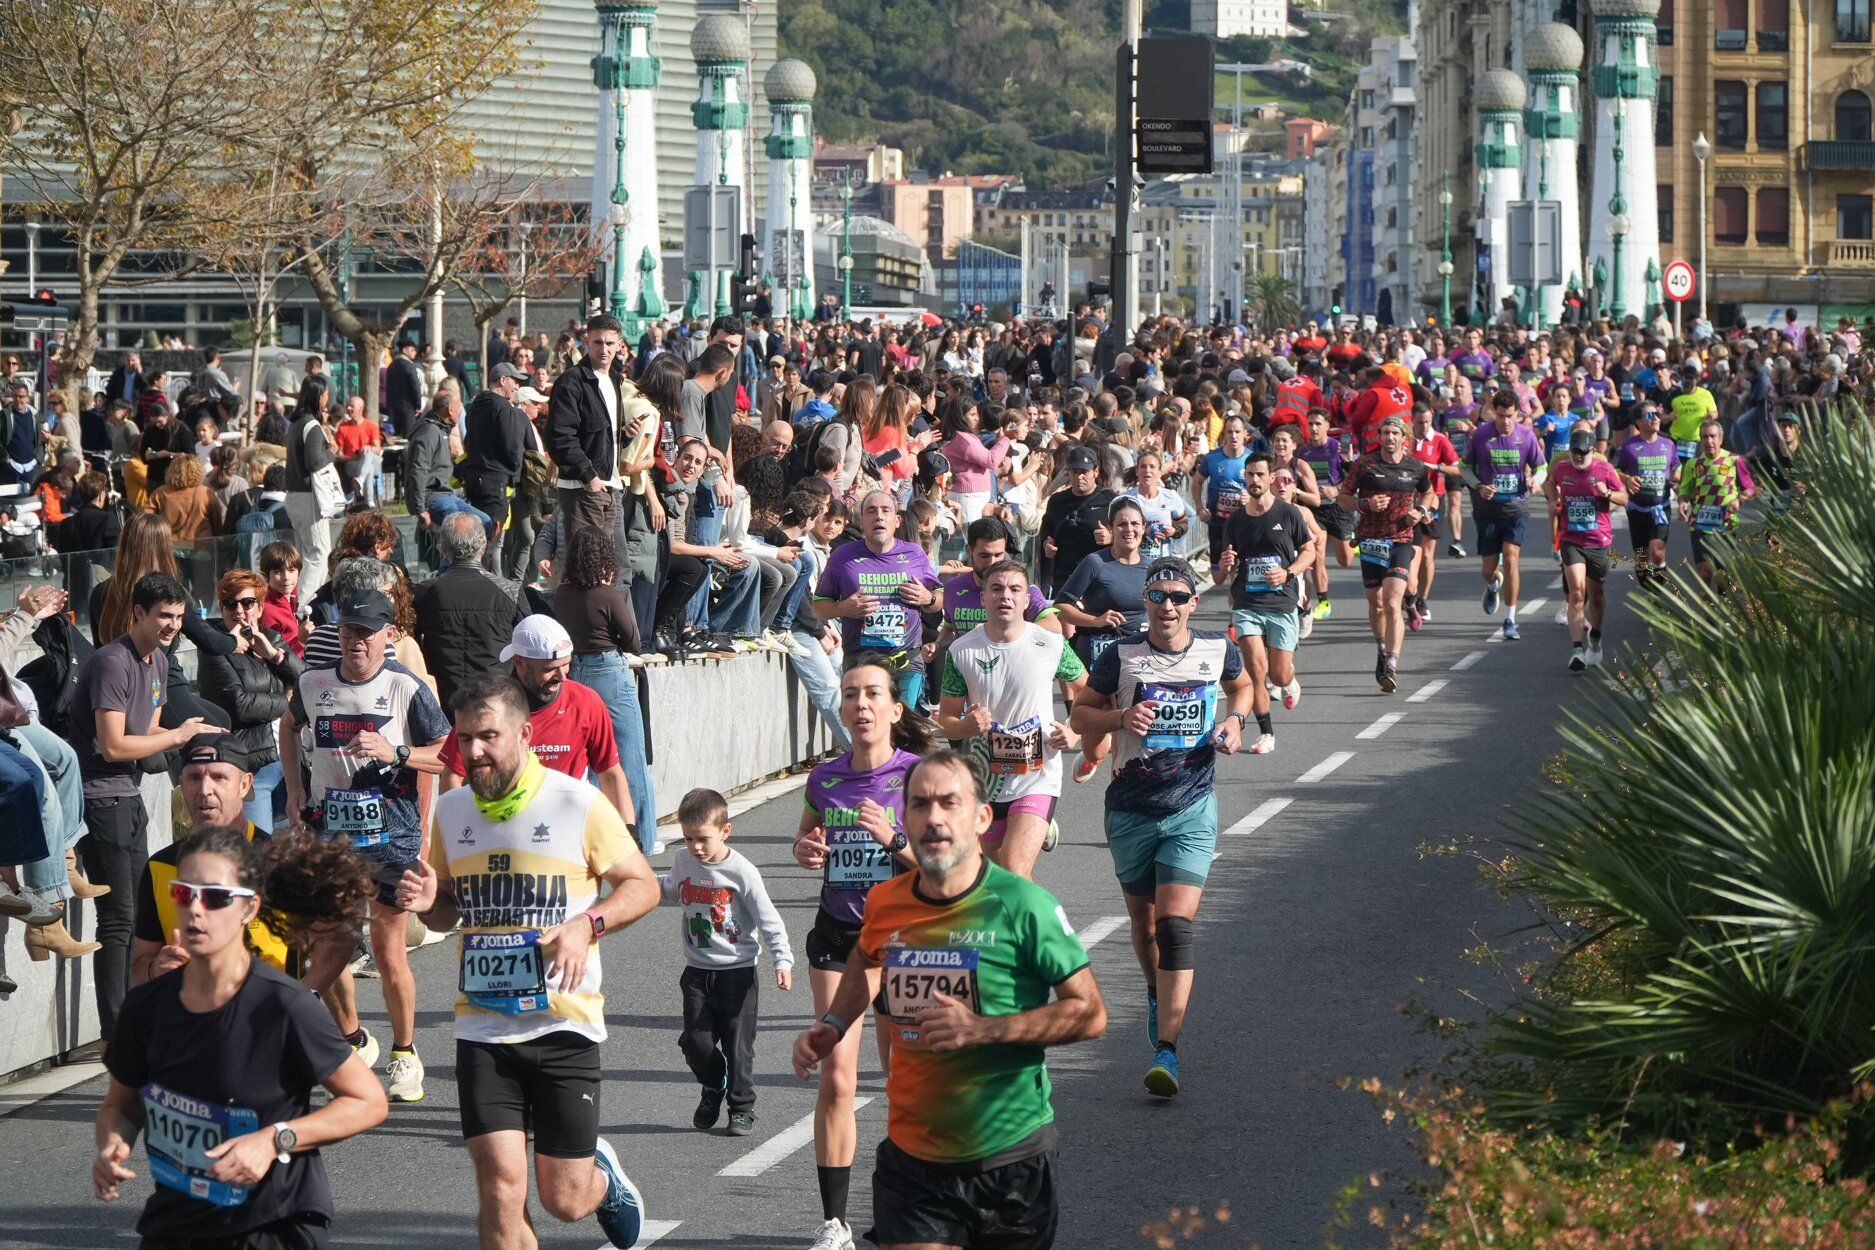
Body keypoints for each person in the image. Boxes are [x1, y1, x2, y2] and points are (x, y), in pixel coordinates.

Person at [790, 749, 1106, 1250]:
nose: (933, 817)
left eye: (948, 803)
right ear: (905, 818)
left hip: (1010, 1158)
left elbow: (1089, 1013)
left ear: (982, 818)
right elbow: (868, 959)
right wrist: (833, 1023)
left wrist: (985, 1030)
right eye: (918, 805)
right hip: (915, 1164)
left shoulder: (1024, 907)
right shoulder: (886, 901)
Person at [396, 673, 656, 1250]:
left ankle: (600, 1178)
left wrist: (585, 926)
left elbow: (643, 885)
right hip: (483, 1027)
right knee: (499, 1188)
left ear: (524, 732)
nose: (474, 751)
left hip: (564, 1023)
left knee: (562, 1200)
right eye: (464, 739)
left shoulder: (577, 802)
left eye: (487, 736)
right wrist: (428, 902)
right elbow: (449, 914)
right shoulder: (452, 811)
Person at [92, 826, 389, 1245]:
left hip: (270, 1224)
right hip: (176, 1223)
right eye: (183, 894)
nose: (195, 909)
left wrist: (275, 1138)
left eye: (214, 897)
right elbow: (120, 1107)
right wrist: (112, 1146)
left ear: (249, 908)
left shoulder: (282, 1004)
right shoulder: (146, 1008)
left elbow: (368, 1101)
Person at [1070, 556, 1250, 1096]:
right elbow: (1081, 716)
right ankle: (1155, 991)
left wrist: (1235, 721)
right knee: (1146, 928)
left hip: (1191, 806)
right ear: (1145, 601)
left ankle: (1167, 1051)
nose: (1166, 605)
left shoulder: (1218, 649)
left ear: (1194, 602)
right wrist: (1120, 719)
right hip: (1129, 808)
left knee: (1174, 927)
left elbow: (1243, 688)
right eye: (1157, 595)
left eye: (1177, 596)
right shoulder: (1121, 656)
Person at [282, 588, 451, 1105]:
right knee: (325, 938)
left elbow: (446, 755)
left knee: (386, 949)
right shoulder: (313, 684)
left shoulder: (405, 688)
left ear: (388, 636)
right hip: (330, 836)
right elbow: (290, 729)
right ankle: (354, 1039)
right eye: (350, 631)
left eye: (368, 632)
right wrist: (294, 790)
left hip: (391, 835)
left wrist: (397, 751)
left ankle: (405, 1053)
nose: (357, 641)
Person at [788, 660, 935, 1250]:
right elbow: (809, 837)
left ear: (896, 709)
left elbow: (949, 870)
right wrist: (806, 848)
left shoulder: (920, 775)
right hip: (839, 939)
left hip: (904, 940)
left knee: (903, 1080)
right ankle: (835, 1222)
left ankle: (908, 1206)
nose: (861, 704)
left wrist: (895, 840)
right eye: (851, 695)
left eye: (873, 694)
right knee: (838, 1079)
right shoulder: (823, 779)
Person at [74, 572, 217, 1035]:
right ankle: (118, 1033)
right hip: (101, 799)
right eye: (164, 616)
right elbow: (113, 745)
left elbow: (147, 732)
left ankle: (133, 1022)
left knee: (136, 917)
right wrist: (177, 735)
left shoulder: (156, 661)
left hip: (129, 797)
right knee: (119, 920)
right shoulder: (112, 663)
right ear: (138, 613)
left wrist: (194, 737)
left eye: (179, 617)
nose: (173, 625)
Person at [937, 561, 1084, 878]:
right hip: (987, 780)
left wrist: (1074, 731)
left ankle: (1036, 824)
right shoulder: (961, 651)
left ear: (1027, 599)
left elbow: (1089, 692)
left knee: (1016, 868)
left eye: (1015, 589)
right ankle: (1031, 927)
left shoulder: (1050, 644)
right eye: (997, 588)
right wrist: (965, 726)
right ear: (983, 598)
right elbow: (946, 718)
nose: (1006, 596)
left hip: (1038, 775)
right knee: (997, 876)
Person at [660, 787, 794, 1136]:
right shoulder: (682, 860)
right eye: (687, 839)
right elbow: (671, 889)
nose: (695, 847)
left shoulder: (742, 872)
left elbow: (768, 919)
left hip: (737, 973)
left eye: (702, 839)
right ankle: (713, 1083)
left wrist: (782, 959)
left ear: (725, 831)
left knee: (738, 1046)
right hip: (697, 971)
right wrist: (634, 883)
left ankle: (741, 1108)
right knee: (696, 1042)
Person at [436, 613, 638, 838]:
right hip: (503, 834)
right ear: (520, 663)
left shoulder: (586, 702)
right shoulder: (485, 707)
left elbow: (610, 773)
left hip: (568, 834)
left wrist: (629, 832)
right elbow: (453, 777)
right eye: (550, 668)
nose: (562, 676)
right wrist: (455, 836)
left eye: (567, 665)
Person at [553, 530, 659, 853]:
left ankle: (597, 837)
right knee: (630, 756)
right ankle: (643, 838)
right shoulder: (607, 594)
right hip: (608, 671)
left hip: (574, 674)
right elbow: (632, 640)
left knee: (591, 759)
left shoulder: (561, 594)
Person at [1214, 452, 1317, 753]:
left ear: (1271, 478)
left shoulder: (1288, 514)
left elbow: (1309, 551)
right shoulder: (1235, 519)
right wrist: (1226, 561)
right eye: (1250, 475)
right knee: (1256, 670)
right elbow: (1224, 571)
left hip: (1282, 603)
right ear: (1244, 478)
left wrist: (1288, 572)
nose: (1255, 480)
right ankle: (1266, 734)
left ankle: (1289, 680)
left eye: (1260, 474)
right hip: (1247, 602)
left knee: (1278, 674)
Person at [812, 490, 942, 706]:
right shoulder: (842, 556)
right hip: (860, 664)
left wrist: (928, 598)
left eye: (885, 510)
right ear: (861, 521)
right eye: (871, 511)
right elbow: (818, 606)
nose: (879, 516)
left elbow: (939, 598)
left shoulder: (915, 553)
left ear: (897, 520)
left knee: (901, 733)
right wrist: (843, 608)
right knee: (867, 733)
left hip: (906, 663)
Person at [196, 571, 302, 834]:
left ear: (260, 607)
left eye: (247, 603)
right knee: (259, 854)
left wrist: (274, 656)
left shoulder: (271, 638)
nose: (239, 611)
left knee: (296, 858)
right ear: (221, 608)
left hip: (296, 763)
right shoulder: (215, 647)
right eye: (230, 604)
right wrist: (286, 701)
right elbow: (238, 705)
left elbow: (308, 683)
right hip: (254, 767)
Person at [1339, 417, 1435, 694]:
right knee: (1376, 604)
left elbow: (1427, 493)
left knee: (1392, 602)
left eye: (1395, 433)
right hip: (1370, 542)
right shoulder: (1365, 465)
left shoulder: (1415, 467)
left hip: (1401, 541)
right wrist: (1364, 503)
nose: (1390, 437)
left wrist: (1421, 511)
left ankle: (1392, 664)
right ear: (1379, 436)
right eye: (1385, 433)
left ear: (1404, 438)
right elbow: (1343, 498)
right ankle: (1381, 647)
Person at [410, 513, 526, 710]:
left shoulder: (424, 593)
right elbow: (529, 646)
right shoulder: (509, 592)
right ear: (484, 545)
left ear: (444, 549)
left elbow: (411, 646)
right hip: (497, 701)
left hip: (442, 702)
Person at [1463, 390, 1547, 641]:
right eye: (1501, 416)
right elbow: (1464, 467)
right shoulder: (1481, 436)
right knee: (1489, 569)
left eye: (1510, 416)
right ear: (1493, 412)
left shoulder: (1526, 436)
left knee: (1511, 557)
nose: (1506, 422)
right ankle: (1492, 585)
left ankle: (1510, 619)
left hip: (1516, 507)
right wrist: (1479, 486)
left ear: (1518, 415)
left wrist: (1535, 480)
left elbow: (1542, 466)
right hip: (1487, 510)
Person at [1544, 425, 1628, 671]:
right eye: (1574, 452)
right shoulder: (1562, 468)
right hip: (1571, 539)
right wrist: (1553, 500)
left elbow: (1624, 497)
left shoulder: (1604, 469)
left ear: (1592, 450)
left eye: (1583, 452)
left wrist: (1608, 493)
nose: (1578, 457)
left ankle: (1596, 636)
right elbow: (1549, 484)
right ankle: (1577, 650)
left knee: (1597, 596)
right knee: (1577, 593)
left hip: (1598, 541)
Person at [462, 363, 534, 564]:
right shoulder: (503, 407)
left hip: (475, 479)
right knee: (490, 537)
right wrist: (515, 471)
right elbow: (512, 447)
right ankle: (479, 582)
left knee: (477, 536)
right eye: (515, 381)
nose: (517, 387)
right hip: (495, 482)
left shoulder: (475, 405)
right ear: (503, 380)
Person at [1678, 417, 1757, 589]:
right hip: (1700, 523)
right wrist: (1683, 502)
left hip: (1726, 524)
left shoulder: (1734, 460)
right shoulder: (1693, 464)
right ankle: (1707, 615)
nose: (1709, 441)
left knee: (1723, 577)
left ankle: (1724, 610)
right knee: (1704, 572)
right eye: (1705, 437)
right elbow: (1684, 490)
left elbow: (1750, 488)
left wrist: (1738, 500)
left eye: (1713, 436)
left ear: (1721, 439)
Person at [1614, 401, 1681, 586]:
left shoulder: (1668, 444)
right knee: (1641, 560)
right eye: (1650, 415)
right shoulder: (1628, 447)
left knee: (1657, 553)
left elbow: (1676, 467)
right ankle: (1650, 593)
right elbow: (1613, 471)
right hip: (1637, 508)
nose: (1656, 418)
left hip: (1661, 508)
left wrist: (1675, 481)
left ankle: (1659, 595)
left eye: (1657, 414)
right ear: (1638, 422)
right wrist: (1626, 479)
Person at [1407, 402, 1462, 630]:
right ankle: (1409, 595)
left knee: (1428, 556)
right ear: (1412, 421)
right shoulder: (1405, 439)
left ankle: (1422, 599)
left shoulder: (1439, 439)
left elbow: (1457, 468)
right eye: (1419, 422)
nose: (1423, 426)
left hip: (1432, 502)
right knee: (1409, 553)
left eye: (1427, 422)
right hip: (1407, 503)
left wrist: (1434, 466)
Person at [283, 376, 338, 596]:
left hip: (294, 496)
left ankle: (299, 606)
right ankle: (304, 610)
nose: (327, 398)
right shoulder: (312, 425)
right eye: (325, 394)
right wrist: (331, 451)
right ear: (317, 396)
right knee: (319, 556)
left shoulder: (295, 423)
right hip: (309, 498)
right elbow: (315, 462)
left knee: (305, 556)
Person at [1037, 445, 1117, 595]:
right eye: (1075, 472)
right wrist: (1047, 546)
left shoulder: (1110, 499)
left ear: (1095, 472)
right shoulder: (1057, 501)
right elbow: (1046, 532)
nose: (1079, 477)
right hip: (1065, 578)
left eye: (1084, 472)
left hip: (1099, 576)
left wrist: (1111, 538)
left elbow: (1129, 535)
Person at [1192, 415, 1252, 565]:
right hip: (1218, 523)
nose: (1234, 436)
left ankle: (1234, 587)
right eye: (1230, 432)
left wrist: (1251, 498)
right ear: (1224, 434)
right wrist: (1199, 508)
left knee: (1240, 568)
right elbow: (1196, 482)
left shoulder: (1252, 459)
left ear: (1245, 433)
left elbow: (1265, 488)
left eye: (1238, 432)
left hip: (1244, 523)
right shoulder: (1212, 458)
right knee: (1217, 572)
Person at [1121, 452, 1190, 561]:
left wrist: (1174, 531)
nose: (1147, 470)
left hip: (1162, 561)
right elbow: (1118, 530)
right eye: (1143, 466)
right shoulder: (1125, 498)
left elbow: (1183, 523)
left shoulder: (1170, 496)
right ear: (1137, 471)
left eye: (1152, 467)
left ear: (1160, 472)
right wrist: (1145, 532)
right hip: (1132, 561)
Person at [384, 340, 425, 432]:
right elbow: (415, 386)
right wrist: (418, 404)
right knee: (408, 434)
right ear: (405, 350)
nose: (415, 353)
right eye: (412, 350)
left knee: (397, 433)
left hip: (393, 407)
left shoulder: (391, 365)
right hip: (408, 407)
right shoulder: (409, 366)